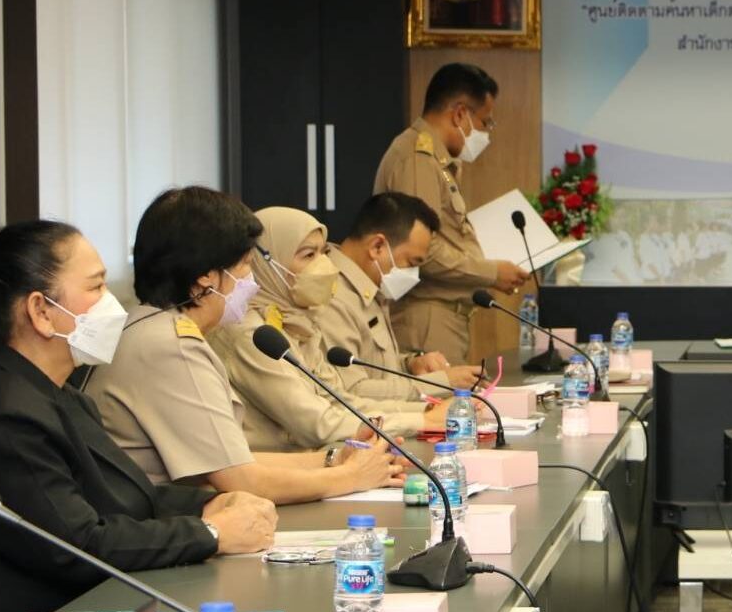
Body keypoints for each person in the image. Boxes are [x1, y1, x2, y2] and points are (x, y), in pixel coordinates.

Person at [0, 222, 276, 612]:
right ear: (41, 311)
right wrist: (210, 533)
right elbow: (77, 544)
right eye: (96, 287)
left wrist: (209, 504)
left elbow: (123, 495)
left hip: (98, 610)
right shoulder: (4, 409)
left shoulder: (57, 393)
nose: (111, 303)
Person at [87, 187, 403, 503]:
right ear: (206, 278)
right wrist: (350, 477)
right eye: (246, 264)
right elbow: (241, 480)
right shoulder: (172, 348)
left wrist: (334, 459)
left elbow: (233, 461)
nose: (253, 280)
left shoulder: (153, 328)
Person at [210, 207, 447, 451]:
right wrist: (420, 422)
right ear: (268, 263)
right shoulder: (253, 335)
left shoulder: (297, 322)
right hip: (283, 468)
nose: (323, 264)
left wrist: (426, 411)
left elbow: (340, 400)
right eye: (308, 255)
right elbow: (317, 423)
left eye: (323, 252)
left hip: (315, 460)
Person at [373, 63, 530, 365]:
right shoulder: (417, 160)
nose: (486, 133)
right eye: (485, 122)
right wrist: (491, 272)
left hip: (442, 316)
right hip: (425, 318)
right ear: (459, 114)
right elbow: (422, 251)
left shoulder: (437, 160)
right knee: (438, 395)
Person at [312, 193, 483, 400]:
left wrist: (411, 364)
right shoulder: (332, 296)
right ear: (377, 247)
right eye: (411, 263)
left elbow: (376, 368)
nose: (413, 274)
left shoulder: (369, 287)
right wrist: (442, 382)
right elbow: (351, 392)